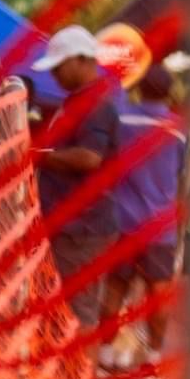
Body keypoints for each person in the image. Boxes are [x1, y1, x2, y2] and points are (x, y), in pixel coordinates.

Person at [30, 25, 121, 340]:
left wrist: (39, 156)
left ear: (82, 60)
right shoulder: (79, 100)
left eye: (59, 66)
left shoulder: (95, 104)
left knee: (78, 315)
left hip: (83, 229)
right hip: (76, 227)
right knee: (71, 312)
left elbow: (89, 158)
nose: (54, 74)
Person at [99, 62, 188, 370]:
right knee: (157, 296)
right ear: (169, 92)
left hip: (121, 222)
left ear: (140, 88)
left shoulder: (120, 119)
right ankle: (153, 358)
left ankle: (106, 354)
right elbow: (179, 176)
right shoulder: (177, 130)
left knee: (114, 288)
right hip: (160, 228)